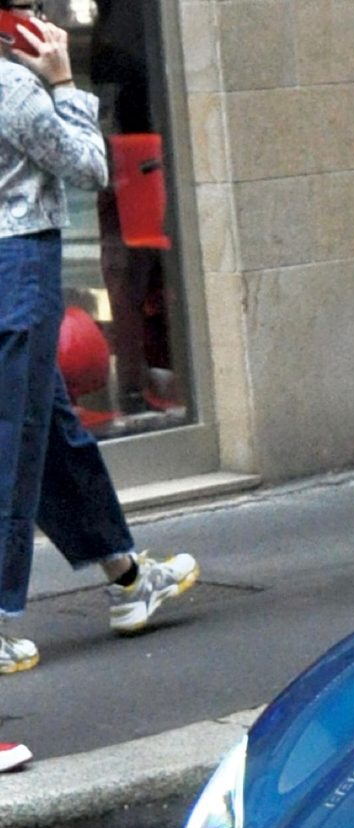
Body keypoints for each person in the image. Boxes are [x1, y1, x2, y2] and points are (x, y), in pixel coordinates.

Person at [0, 10, 199, 731]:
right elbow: (90, 166)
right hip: (19, 258)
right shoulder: (12, 89)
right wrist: (64, 83)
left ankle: (127, 576)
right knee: (17, 440)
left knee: (51, 433)